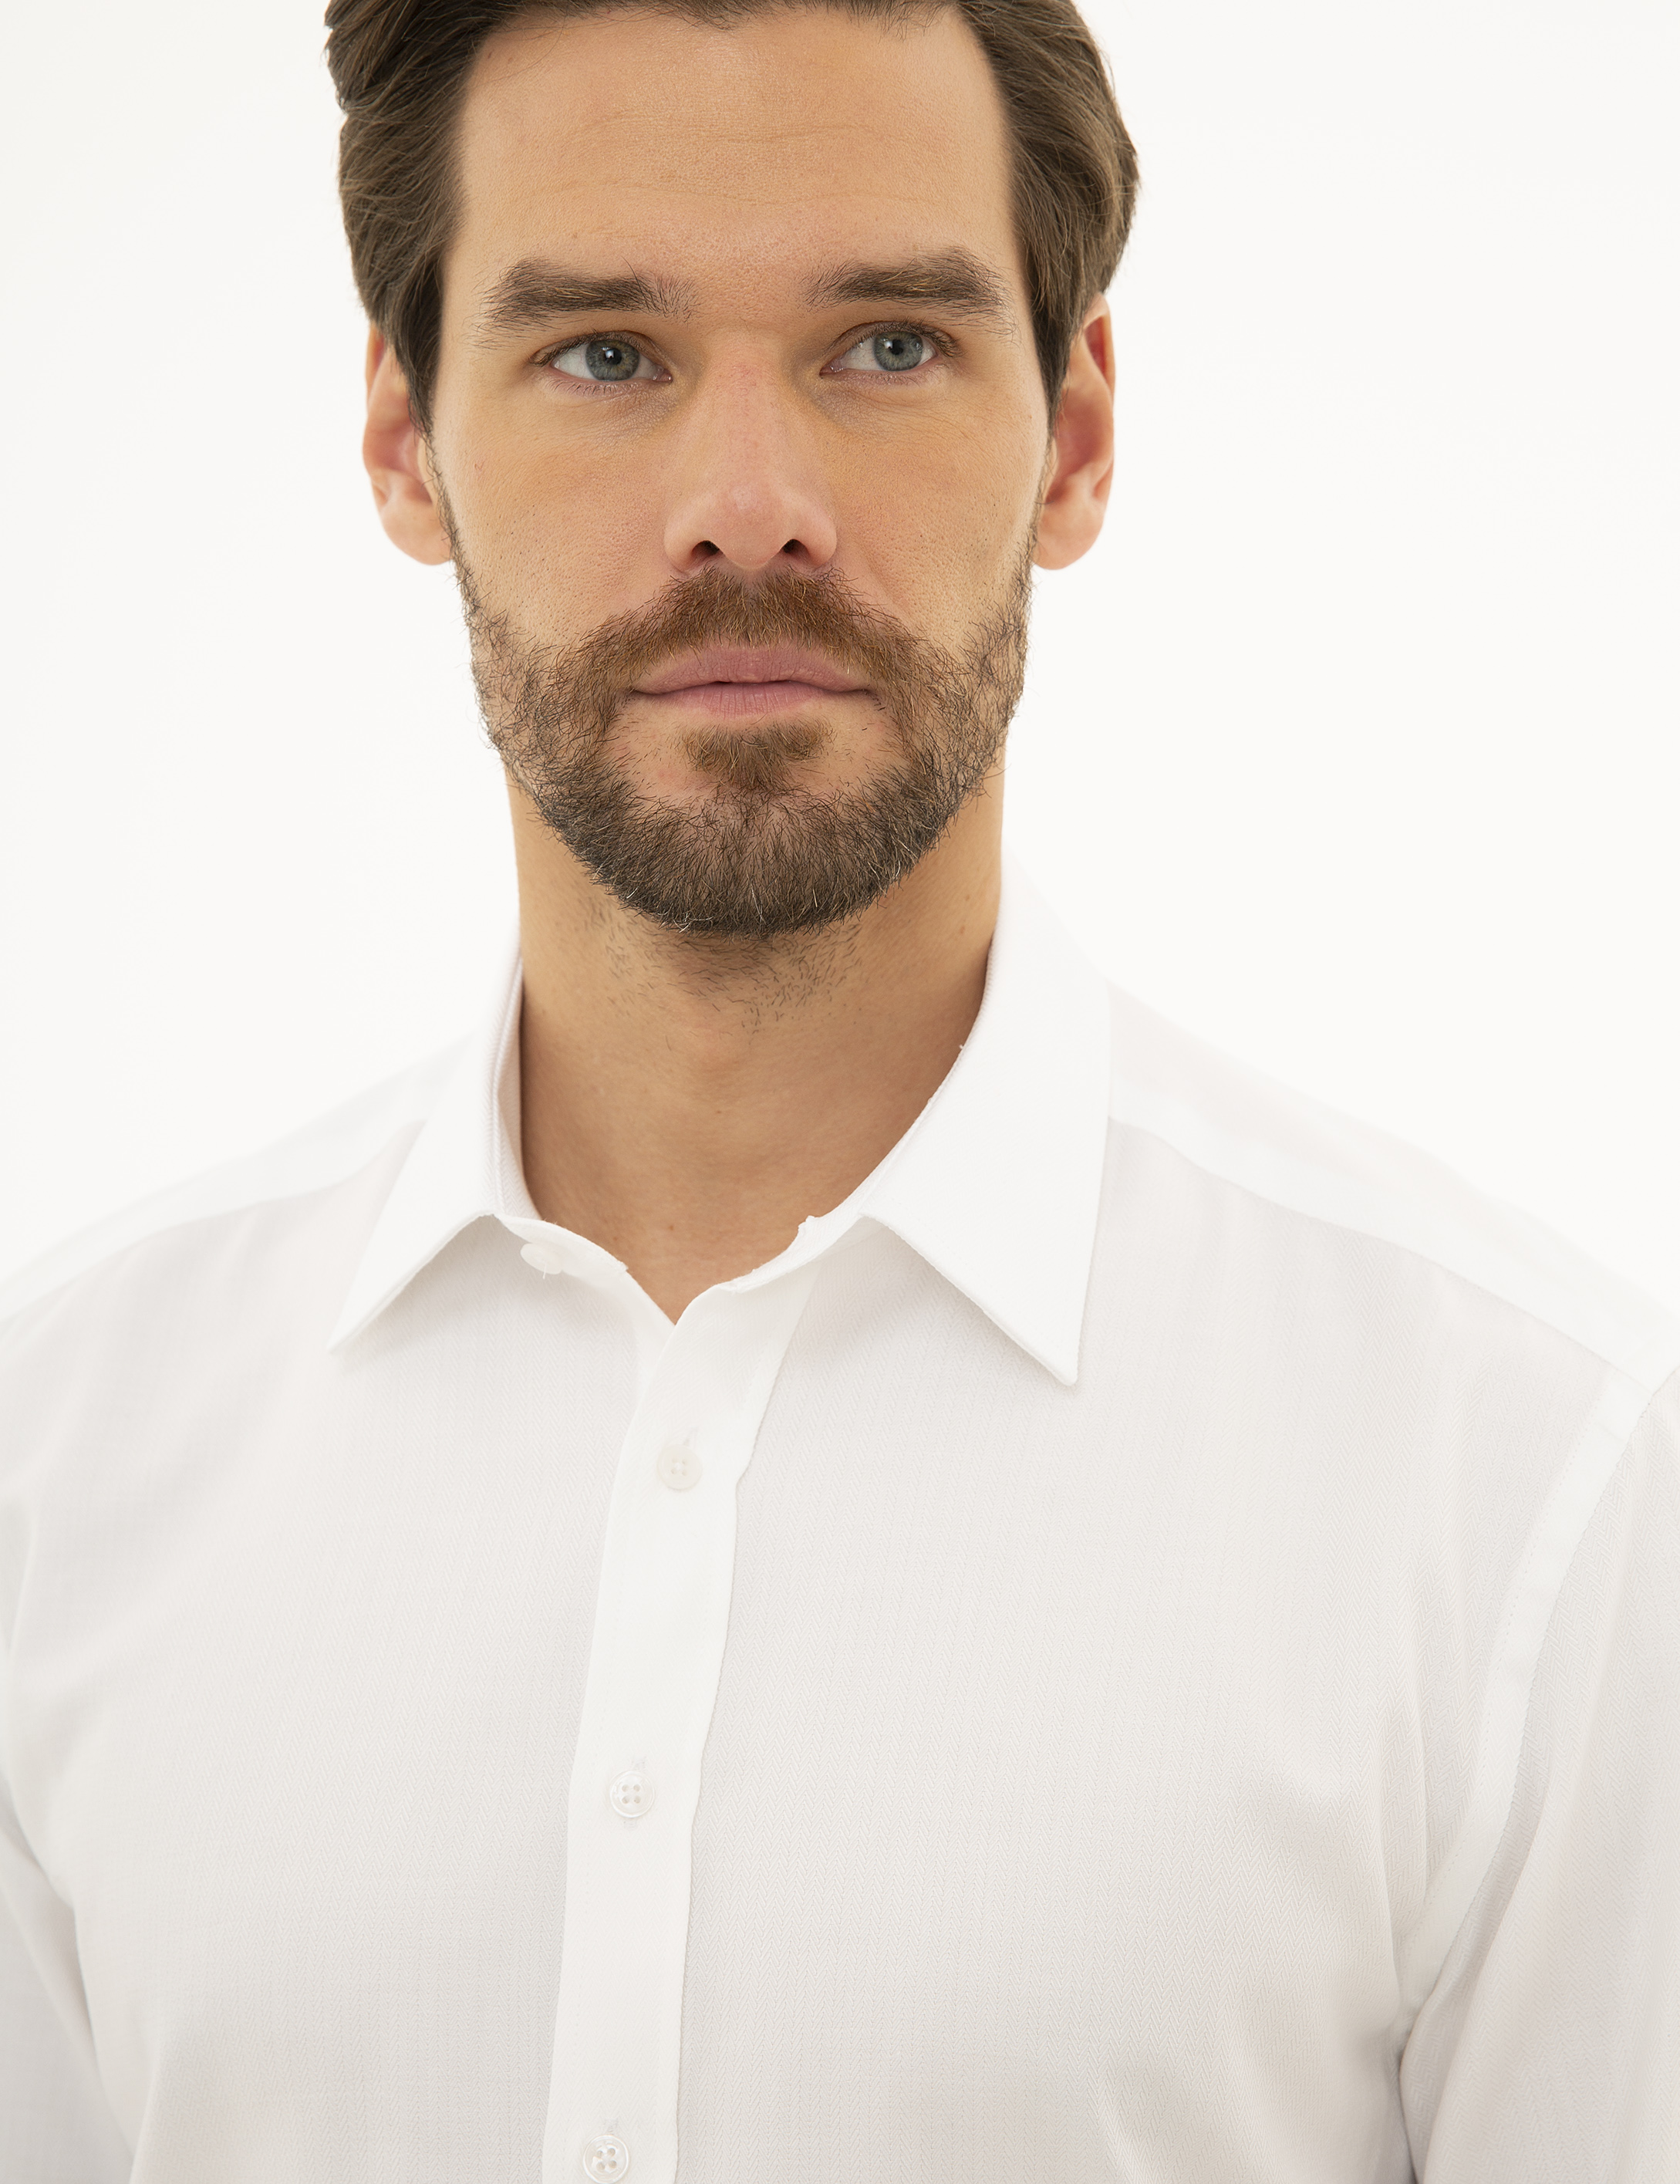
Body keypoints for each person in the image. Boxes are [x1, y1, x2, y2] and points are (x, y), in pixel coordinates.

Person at [1, 0, 1674, 2176]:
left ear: (1072, 442)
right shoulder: (56, 1471)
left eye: (886, 344)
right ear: (406, 443)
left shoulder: (1528, 1492)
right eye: (604, 353)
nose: (747, 513)